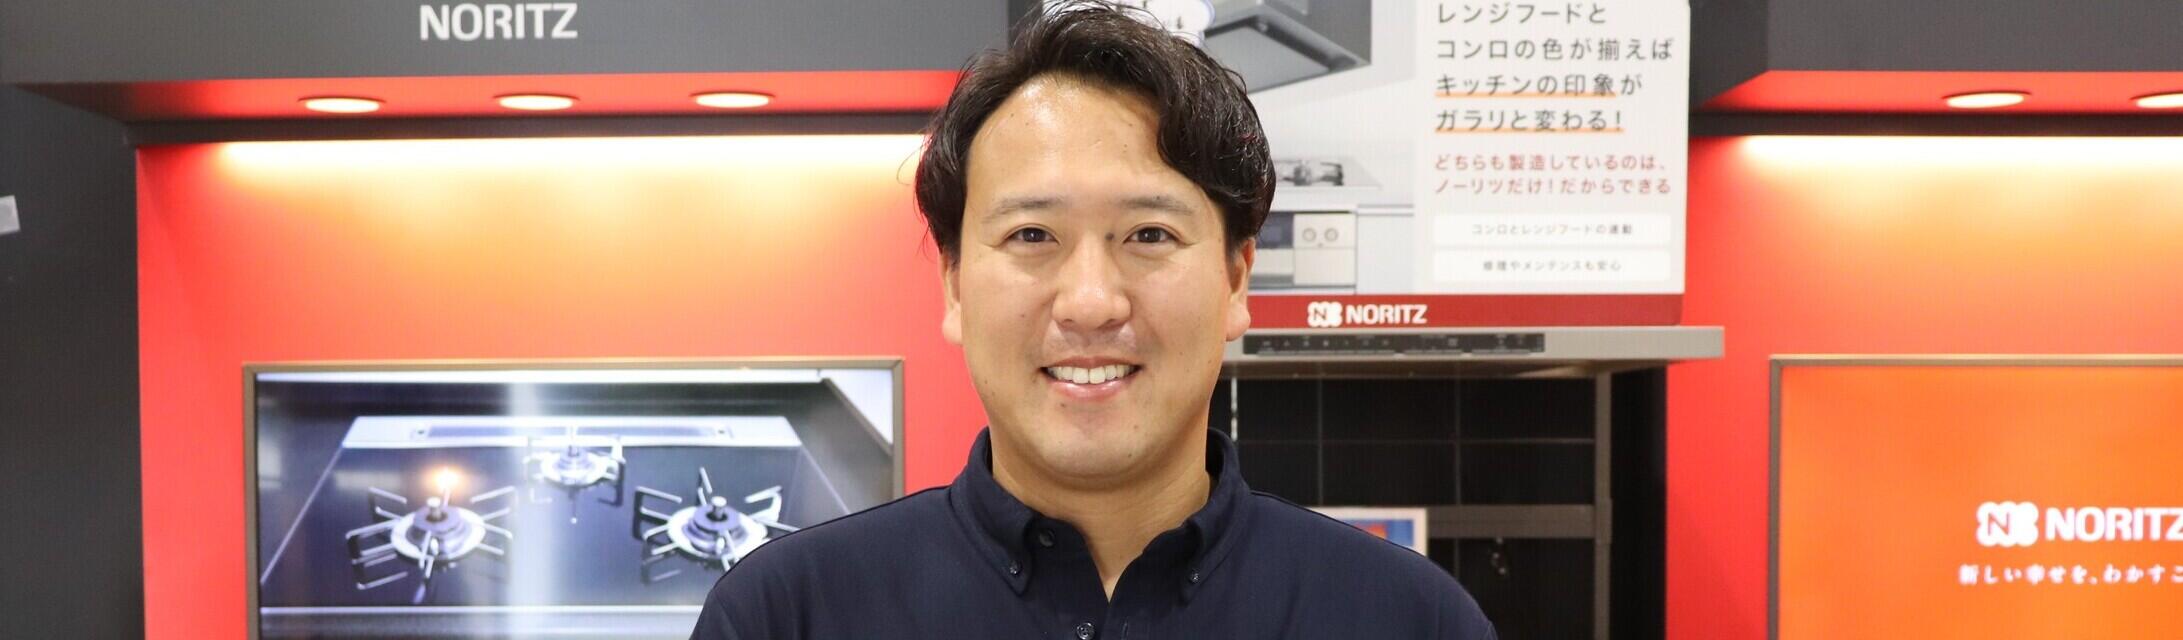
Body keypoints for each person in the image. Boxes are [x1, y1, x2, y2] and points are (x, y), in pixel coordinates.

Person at [691, 3, 1497, 638]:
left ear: (1234, 279)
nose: (1089, 302)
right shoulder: (786, 614)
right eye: (1031, 236)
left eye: (1148, 235)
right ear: (954, 285)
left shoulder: (1408, 620)